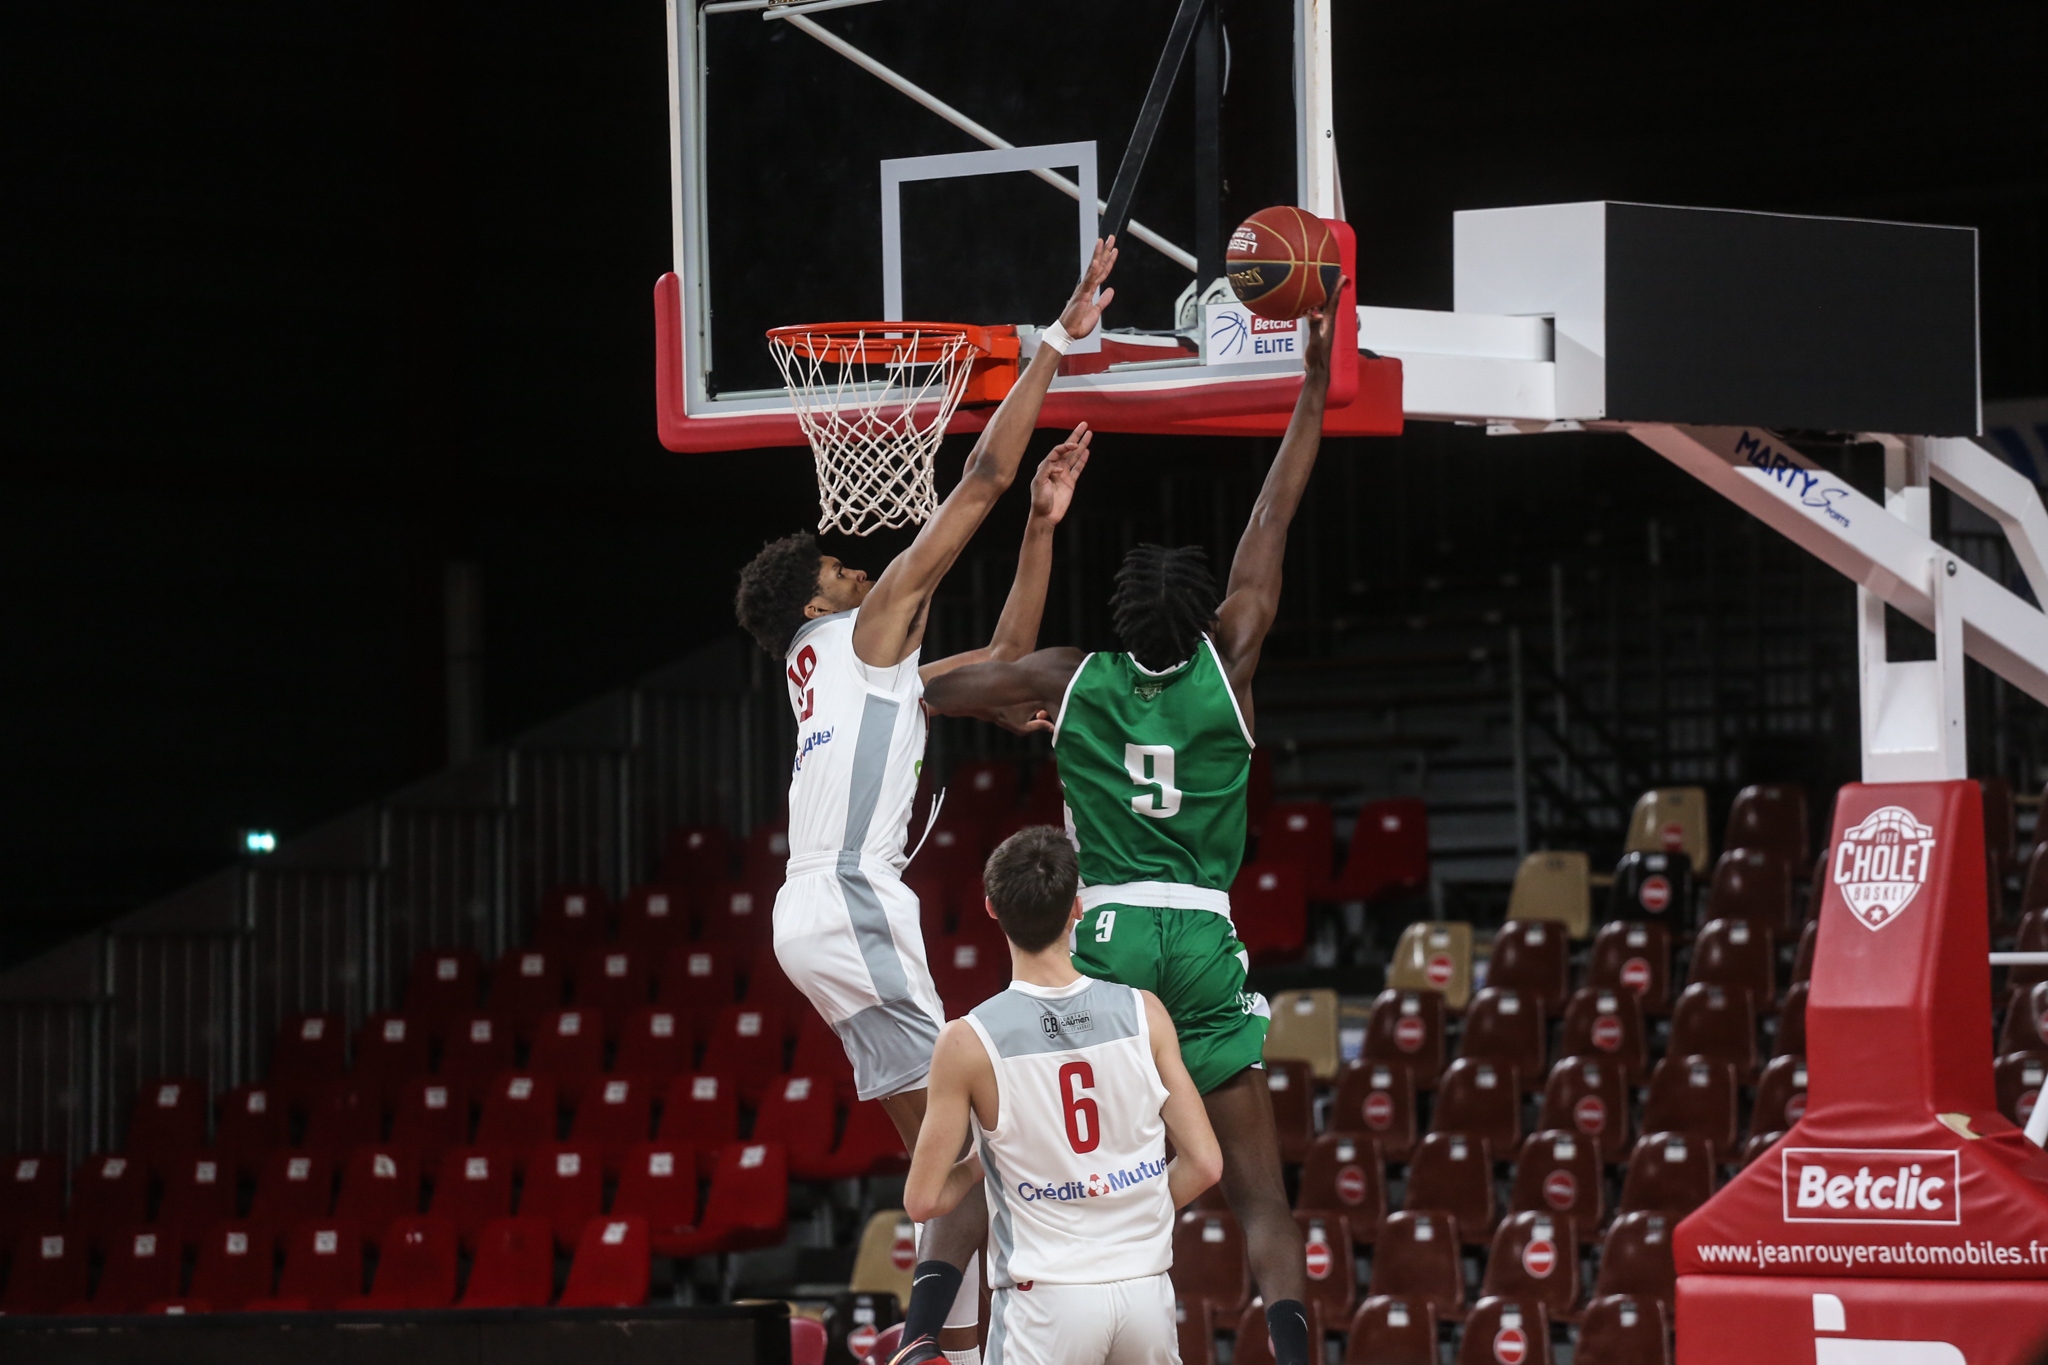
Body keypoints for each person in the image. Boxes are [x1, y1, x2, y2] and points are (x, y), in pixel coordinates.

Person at [919, 280, 1348, 1365]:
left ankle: (922, 1330)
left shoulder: (1072, 676)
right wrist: (1307, 382)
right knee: (1258, 1195)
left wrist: (1033, 544)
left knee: (1016, 1160)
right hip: (1200, 940)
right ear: (1202, 610)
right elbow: (1274, 513)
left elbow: (935, 691)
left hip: (1101, 934)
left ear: (1118, 618)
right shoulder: (1232, 657)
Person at [732, 238, 1118, 1365]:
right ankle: (935, 1341)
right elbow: (978, 482)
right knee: (982, 1139)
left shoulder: (855, 670)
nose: (858, 563)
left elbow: (999, 655)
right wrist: (1052, 345)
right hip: (851, 899)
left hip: (813, 916)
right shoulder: (858, 629)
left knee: (946, 1149)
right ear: (816, 597)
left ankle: (936, 1346)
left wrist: (1044, 528)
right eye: (838, 565)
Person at [903, 826, 1222, 1365]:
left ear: (990, 910)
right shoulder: (1145, 1012)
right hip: (1145, 1290)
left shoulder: (967, 1040)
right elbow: (1207, 1164)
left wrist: (982, 1165)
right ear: (1078, 908)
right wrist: (1127, 1219)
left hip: (1045, 1303)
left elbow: (924, 1199)